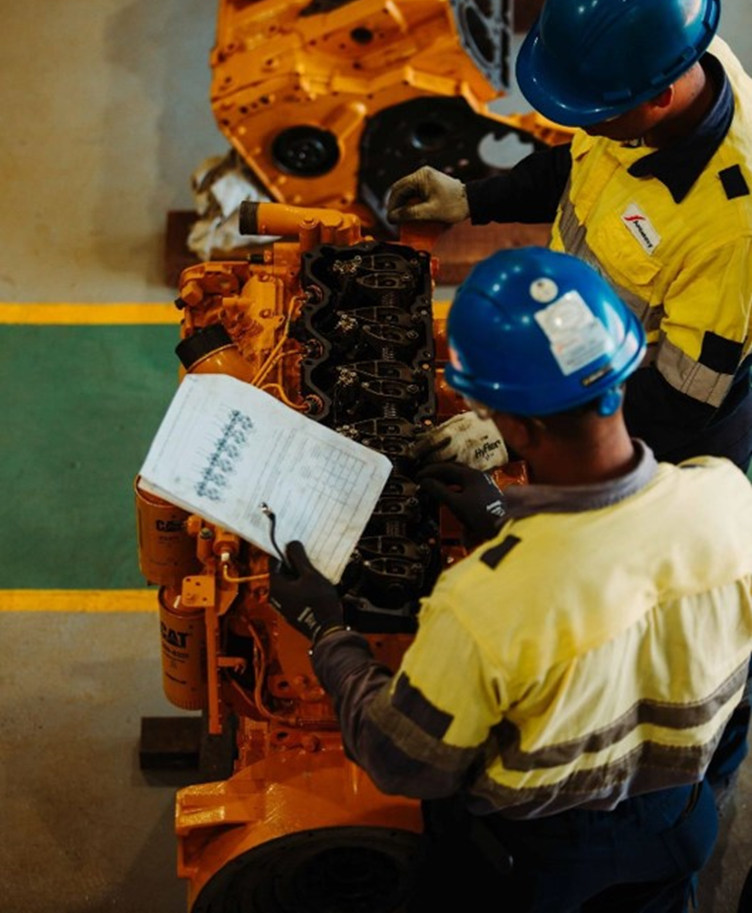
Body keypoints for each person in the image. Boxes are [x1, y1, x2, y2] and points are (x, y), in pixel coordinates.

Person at [268, 247, 752, 913]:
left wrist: (329, 631)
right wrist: (501, 522)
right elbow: (624, 587)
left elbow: (403, 759)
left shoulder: (483, 605)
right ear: (623, 369)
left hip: (542, 856)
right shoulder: (727, 498)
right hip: (677, 821)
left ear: (514, 425)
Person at [387, 0, 752, 476]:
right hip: (574, 347)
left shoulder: (732, 231)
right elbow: (578, 167)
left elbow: (684, 400)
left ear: (659, 100)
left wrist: (527, 428)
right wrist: (470, 199)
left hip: (657, 441)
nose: (579, 126)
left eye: (594, 114)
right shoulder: (674, 56)